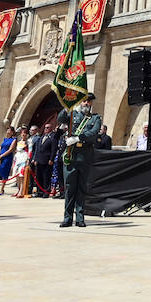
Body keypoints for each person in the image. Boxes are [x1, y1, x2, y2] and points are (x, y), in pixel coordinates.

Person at [59, 94, 103, 228]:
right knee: (69, 188)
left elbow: (94, 133)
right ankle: (67, 218)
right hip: (71, 156)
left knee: (82, 188)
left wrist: (78, 138)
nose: (86, 103)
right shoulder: (73, 115)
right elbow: (60, 119)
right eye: (84, 101)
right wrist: (67, 106)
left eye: (89, 102)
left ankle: (80, 218)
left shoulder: (95, 118)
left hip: (85, 156)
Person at [0, 127, 17, 195]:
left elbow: (10, 149)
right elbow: (0, 147)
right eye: (7, 130)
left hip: (7, 158)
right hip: (0, 157)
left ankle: (2, 189)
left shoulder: (14, 140)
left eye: (9, 130)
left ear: (12, 132)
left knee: (4, 173)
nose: (7, 131)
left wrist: (2, 156)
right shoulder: (5, 139)